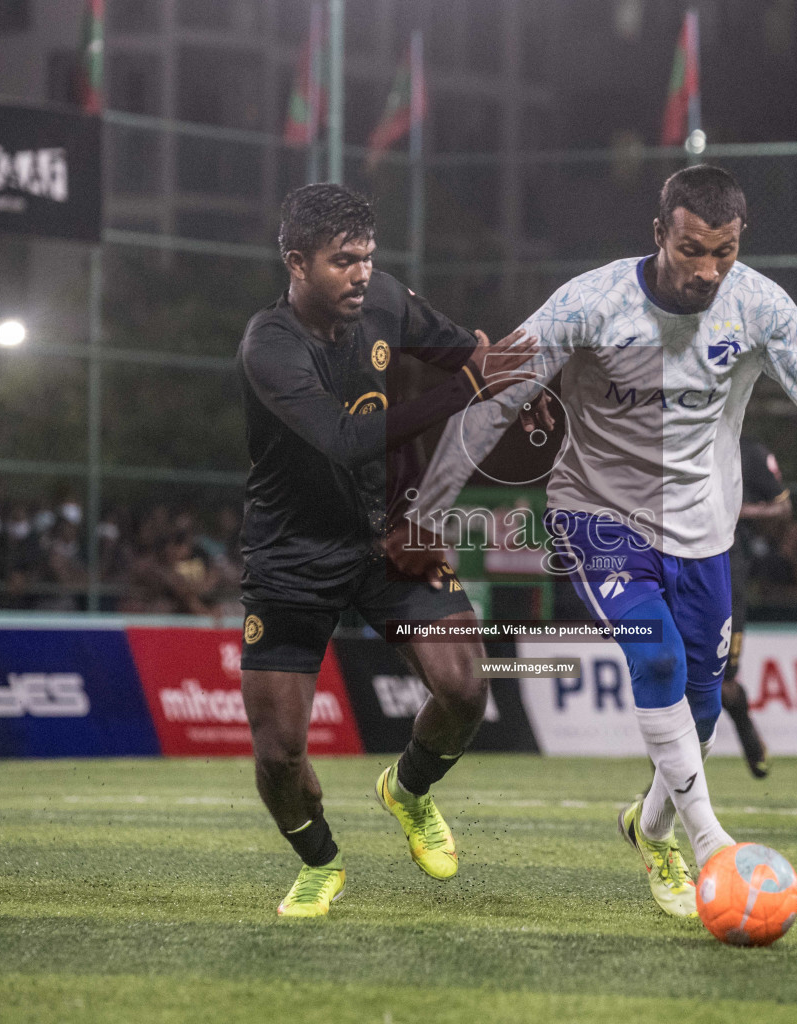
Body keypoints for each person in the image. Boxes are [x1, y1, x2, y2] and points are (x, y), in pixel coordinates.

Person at [402, 165, 797, 919]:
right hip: (596, 515)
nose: (708, 270)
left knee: (703, 712)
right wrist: (429, 509)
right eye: (691, 250)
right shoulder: (591, 303)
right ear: (659, 235)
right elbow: (494, 399)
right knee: (655, 656)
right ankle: (711, 845)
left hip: (704, 530)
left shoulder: (757, 306)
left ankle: (650, 829)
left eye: (725, 251)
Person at [237, 183, 537, 917]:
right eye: (343, 261)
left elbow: (477, 358)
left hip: (385, 538)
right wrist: (467, 387)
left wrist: (430, 502)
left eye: (368, 258)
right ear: (296, 262)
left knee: (466, 688)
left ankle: (407, 789)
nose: (361, 274)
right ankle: (321, 862)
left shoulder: (389, 302)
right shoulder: (269, 345)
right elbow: (344, 439)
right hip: (291, 554)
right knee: (279, 755)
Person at [723, 437, 791, 778]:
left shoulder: (750, 452)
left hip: (729, 571)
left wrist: (739, 509)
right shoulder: (677, 442)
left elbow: (783, 507)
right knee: (675, 676)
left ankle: (746, 729)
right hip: (680, 566)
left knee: (722, 686)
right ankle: (664, 790)